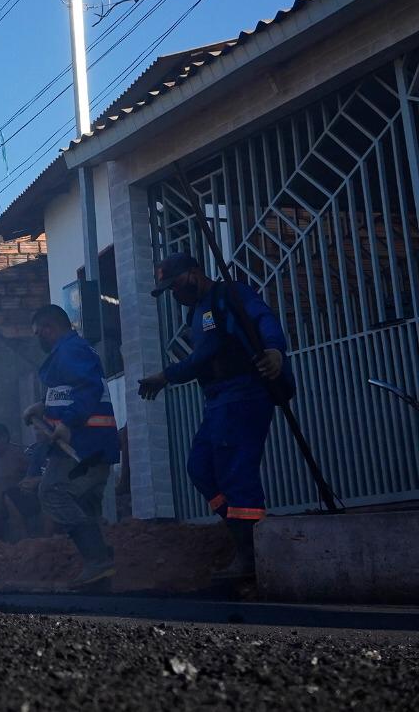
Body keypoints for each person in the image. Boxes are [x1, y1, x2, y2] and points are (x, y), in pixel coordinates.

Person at [137, 252, 290, 581]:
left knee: (236, 474)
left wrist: (275, 350)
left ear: (194, 273)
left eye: (175, 285)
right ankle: (239, 533)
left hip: (243, 394)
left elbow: (263, 319)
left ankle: (252, 558)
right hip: (217, 399)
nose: (174, 294)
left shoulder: (229, 295)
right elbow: (202, 357)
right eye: (168, 290)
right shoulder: (196, 313)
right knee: (201, 468)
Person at [22, 304, 120, 588]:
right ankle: (100, 576)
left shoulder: (69, 351)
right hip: (94, 446)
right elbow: (71, 391)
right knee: (85, 505)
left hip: (83, 447)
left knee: (52, 492)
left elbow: (88, 389)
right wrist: (42, 407)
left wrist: (67, 424)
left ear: (49, 329)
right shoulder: (73, 350)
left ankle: (98, 559)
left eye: (38, 333)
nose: (37, 338)